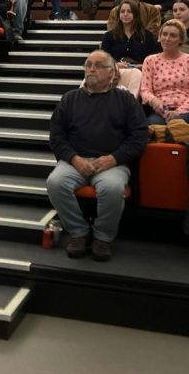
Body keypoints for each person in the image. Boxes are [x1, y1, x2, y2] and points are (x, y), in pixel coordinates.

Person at [47, 50, 148, 261]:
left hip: (112, 163)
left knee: (112, 188)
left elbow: (139, 137)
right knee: (55, 182)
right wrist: (74, 159)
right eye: (88, 64)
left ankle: (102, 237)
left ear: (111, 73)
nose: (91, 69)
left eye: (98, 65)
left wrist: (114, 158)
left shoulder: (126, 100)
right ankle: (79, 232)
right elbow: (56, 137)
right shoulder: (70, 99)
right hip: (76, 161)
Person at [140, 20, 189, 125]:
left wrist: (178, 112)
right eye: (164, 34)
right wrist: (154, 101)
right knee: (153, 125)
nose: (167, 39)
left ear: (181, 40)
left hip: (187, 112)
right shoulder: (150, 61)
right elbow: (145, 90)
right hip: (160, 112)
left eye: (173, 36)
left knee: (177, 124)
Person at [100, 0, 158, 67]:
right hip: (116, 72)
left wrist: (142, 66)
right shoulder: (109, 36)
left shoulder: (147, 36)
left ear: (136, 14)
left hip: (140, 72)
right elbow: (104, 59)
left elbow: (153, 59)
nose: (125, 14)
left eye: (129, 11)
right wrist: (115, 65)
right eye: (122, 11)